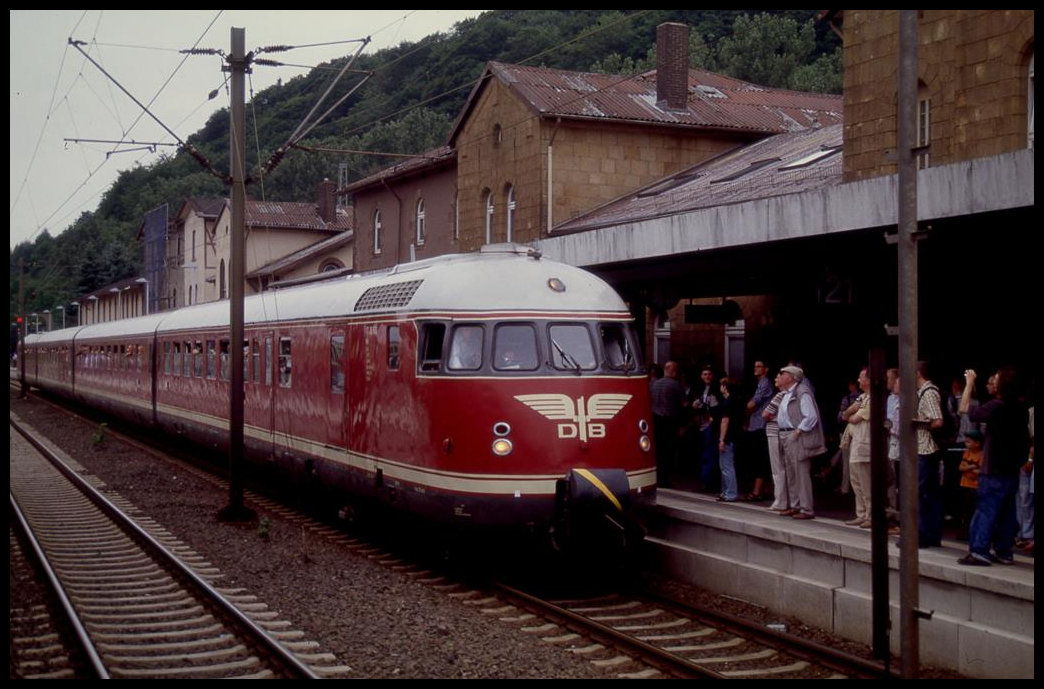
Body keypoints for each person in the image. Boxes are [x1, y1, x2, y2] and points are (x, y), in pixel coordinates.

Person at [957, 367, 1030, 566]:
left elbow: (965, 409)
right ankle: (1004, 551)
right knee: (1008, 512)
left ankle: (979, 549)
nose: (993, 382)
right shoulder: (1020, 408)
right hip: (1011, 468)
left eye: (996, 379)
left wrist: (970, 383)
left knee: (986, 509)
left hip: (993, 467)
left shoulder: (996, 406)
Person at [775, 365, 826, 519]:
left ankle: (806, 508)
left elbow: (810, 416)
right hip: (786, 434)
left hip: (796, 436)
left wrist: (798, 431)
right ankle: (795, 505)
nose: (780, 376)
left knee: (801, 473)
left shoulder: (802, 392)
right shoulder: (787, 393)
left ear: (791, 377)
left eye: (783, 374)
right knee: (791, 472)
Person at [914, 361, 946, 548]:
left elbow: (938, 421)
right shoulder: (923, 393)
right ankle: (929, 534)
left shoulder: (929, 393)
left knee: (921, 494)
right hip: (924, 449)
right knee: (929, 494)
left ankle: (924, 535)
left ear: (918, 373)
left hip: (926, 449)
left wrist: (920, 424)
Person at [842, 368, 873, 527]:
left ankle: (870, 515)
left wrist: (852, 413)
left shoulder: (873, 398)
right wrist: (851, 412)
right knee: (856, 481)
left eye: (861, 378)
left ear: (868, 379)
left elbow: (854, 418)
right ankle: (861, 513)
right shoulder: (862, 397)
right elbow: (845, 414)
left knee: (866, 482)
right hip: (855, 443)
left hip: (865, 444)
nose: (858, 381)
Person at [651, 361, 686, 488]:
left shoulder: (654, 384)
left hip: (656, 420)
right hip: (670, 422)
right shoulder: (676, 385)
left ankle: (658, 477)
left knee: (659, 451)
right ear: (673, 371)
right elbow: (684, 404)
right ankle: (665, 479)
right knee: (668, 452)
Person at [743, 360, 774, 501]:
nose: (756, 368)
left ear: (766, 369)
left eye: (759, 366)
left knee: (760, 459)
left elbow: (753, 402)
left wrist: (740, 409)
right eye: (755, 366)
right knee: (758, 458)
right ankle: (764, 489)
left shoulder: (765, 383)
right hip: (755, 424)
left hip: (761, 425)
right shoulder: (759, 383)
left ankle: (757, 491)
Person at [691, 365, 723, 493]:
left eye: (709, 374)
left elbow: (718, 407)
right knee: (703, 454)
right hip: (701, 425)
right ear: (701, 376)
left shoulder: (717, 389)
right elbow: (692, 405)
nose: (707, 376)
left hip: (712, 425)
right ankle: (705, 482)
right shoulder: (698, 389)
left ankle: (711, 483)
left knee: (710, 454)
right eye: (704, 374)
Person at [762, 375, 789, 512]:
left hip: (774, 431)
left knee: (777, 468)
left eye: (778, 378)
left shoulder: (780, 395)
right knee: (783, 466)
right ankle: (784, 499)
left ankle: (780, 500)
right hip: (783, 432)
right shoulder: (789, 395)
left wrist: (773, 417)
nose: (775, 380)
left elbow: (765, 414)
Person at [716, 378, 744, 502]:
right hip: (736, 434)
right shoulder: (738, 401)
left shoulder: (727, 402)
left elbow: (725, 421)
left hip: (728, 437)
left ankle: (730, 493)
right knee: (726, 465)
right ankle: (725, 492)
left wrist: (721, 439)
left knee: (726, 466)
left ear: (724, 387)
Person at [957, 429, 984, 541]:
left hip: (975, 486)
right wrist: (972, 467)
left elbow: (980, 471)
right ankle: (964, 531)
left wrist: (969, 467)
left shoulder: (981, 455)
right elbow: (961, 467)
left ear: (977, 443)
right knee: (965, 510)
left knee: (974, 510)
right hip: (965, 484)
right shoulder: (966, 453)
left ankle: (973, 532)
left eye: (969, 442)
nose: (966, 444)